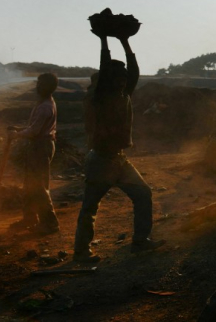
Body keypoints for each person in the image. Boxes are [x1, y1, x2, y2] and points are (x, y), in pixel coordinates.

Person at [73, 33, 165, 262]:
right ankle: (82, 252)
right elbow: (105, 67)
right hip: (101, 161)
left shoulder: (122, 94)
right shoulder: (99, 96)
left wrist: (125, 41)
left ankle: (140, 242)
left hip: (118, 160)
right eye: (118, 78)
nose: (123, 81)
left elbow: (134, 71)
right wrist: (104, 39)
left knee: (143, 194)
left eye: (124, 78)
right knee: (90, 208)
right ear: (108, 79)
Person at [8, 73, 60, 235]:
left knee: (38, 186)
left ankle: (50, 223)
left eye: (40, 83)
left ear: (47, 86)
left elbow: (34, 131)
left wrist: (16, 135)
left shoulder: (45, 106)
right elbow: (33, 127)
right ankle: (29, 218)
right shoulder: (44, 103)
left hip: (40, 146)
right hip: (38, 146)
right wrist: (19, 130)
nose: (37, 86)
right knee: (30, 183)